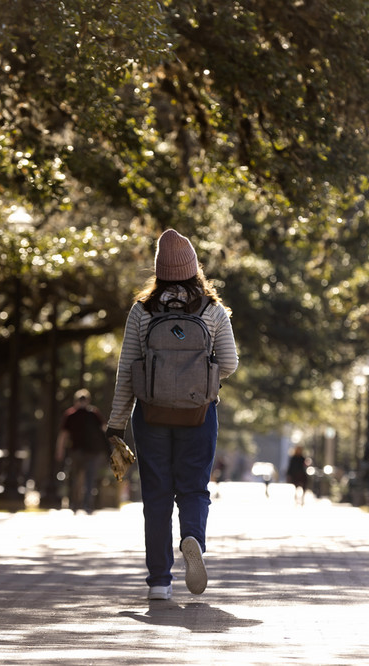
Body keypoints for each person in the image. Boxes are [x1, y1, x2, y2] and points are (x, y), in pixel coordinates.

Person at [106, 229, 239, 601]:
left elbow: (127, 370)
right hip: (199, 412)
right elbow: (229, 362)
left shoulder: (142, 311)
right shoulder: (212, 310)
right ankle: (193, 537)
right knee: (194, 487)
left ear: (158, 270)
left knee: (157, 496)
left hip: (151, 414)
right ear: (195, 268)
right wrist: (204, 374)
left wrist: (116, 422)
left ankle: (159, 583)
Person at [56, 389, 110, 513]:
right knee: (75, 478)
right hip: (76, 451)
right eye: (80, 400)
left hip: (92, 451)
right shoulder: (70, 414)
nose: (82, 402)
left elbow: (104, 429)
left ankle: (87, 504)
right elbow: (64, 434)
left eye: (84, 400)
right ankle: (75, 503)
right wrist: (60, 450)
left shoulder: (94, 413)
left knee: (90, 478)